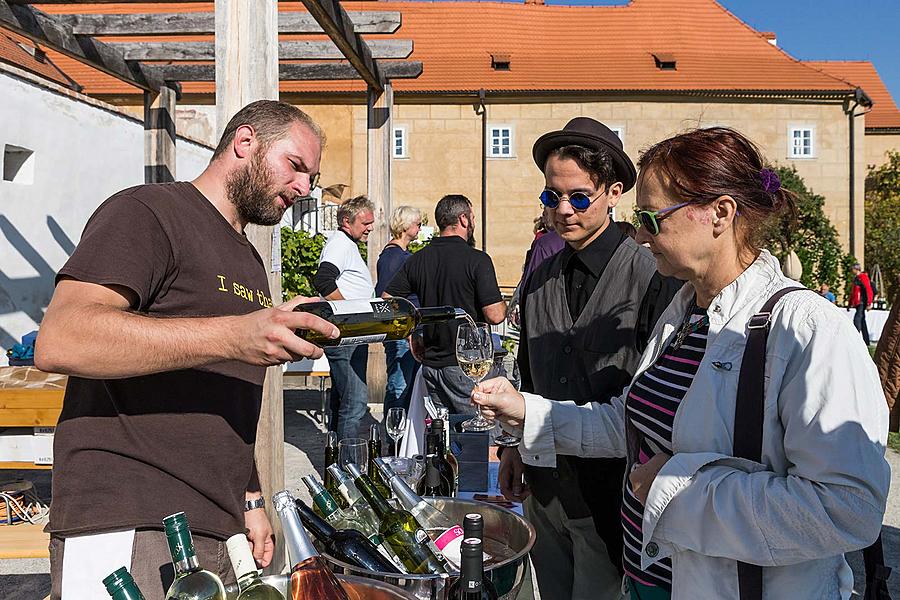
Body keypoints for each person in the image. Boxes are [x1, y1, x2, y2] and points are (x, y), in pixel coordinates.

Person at [474, 127, 890, 599]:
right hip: (652, 579)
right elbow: (632, 426)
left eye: (653, 218)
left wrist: (679, 490)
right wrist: (527, 413)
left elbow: (849, 508)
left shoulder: (807, 329)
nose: (640, 234)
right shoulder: (685, 313)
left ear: (720, 214)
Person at [34, 100, 340, 600]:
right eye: (296, 166)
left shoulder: (249, 260)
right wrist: (235, 335)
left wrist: (251, 498)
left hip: (217, 528)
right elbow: (62, 337)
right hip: (132, 517)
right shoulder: (148, 212)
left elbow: (223, 392)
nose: (305, 188)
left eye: (312, 176)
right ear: (245, 143)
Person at [502, 117, 682, 600]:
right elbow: (526, 373)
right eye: (551, 196)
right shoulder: (541, 275)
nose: (562, 210)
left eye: (578, 197)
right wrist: (512, 447)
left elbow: (661, 389)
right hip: (544, 487)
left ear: (614, 192)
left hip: (612, 493)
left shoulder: (652, 273)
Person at [384, 194, 506, 414]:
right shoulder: (477, 259)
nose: (474, 222)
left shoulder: (418, 259)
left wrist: (412, 332)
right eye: (473, 217)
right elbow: (495, 315)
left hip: (432, 366)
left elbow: (387, 299)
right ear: (463, 219)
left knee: (444, 438)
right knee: (484, 433)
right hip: (468, 366)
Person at [314, 195, 376, 440]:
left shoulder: (346, 244)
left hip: (352, 334)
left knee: (344, 400)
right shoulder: (340, 244)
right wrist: (346, 313)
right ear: (347, 222)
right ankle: (347, 468)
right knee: (355, 402)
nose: (370, 228)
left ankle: (337, 463)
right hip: (345, 334)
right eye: (365, 223)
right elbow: (323, 280)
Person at [375, 205, 423, 413]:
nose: (420, 228)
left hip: (404, 330)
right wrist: (405, 331)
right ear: (406, 225)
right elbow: (387, 296)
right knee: (399, 385)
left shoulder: (396, 254)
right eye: (418, 224)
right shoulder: (396, 257)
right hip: (402, 332)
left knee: (405, 384)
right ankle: (395, 438)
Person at [850, 263, 874, 344]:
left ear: (856, 269)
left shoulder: (863, 277)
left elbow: (868, 289)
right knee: (862, 321)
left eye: (852, 269)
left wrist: (869, 303)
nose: (851, 270)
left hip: (862, 302)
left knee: (857, 319)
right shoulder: (856, 278)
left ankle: (856, 339)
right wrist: (850, 303)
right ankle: (866, 340)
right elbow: (853, 292)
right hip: (857, 302)